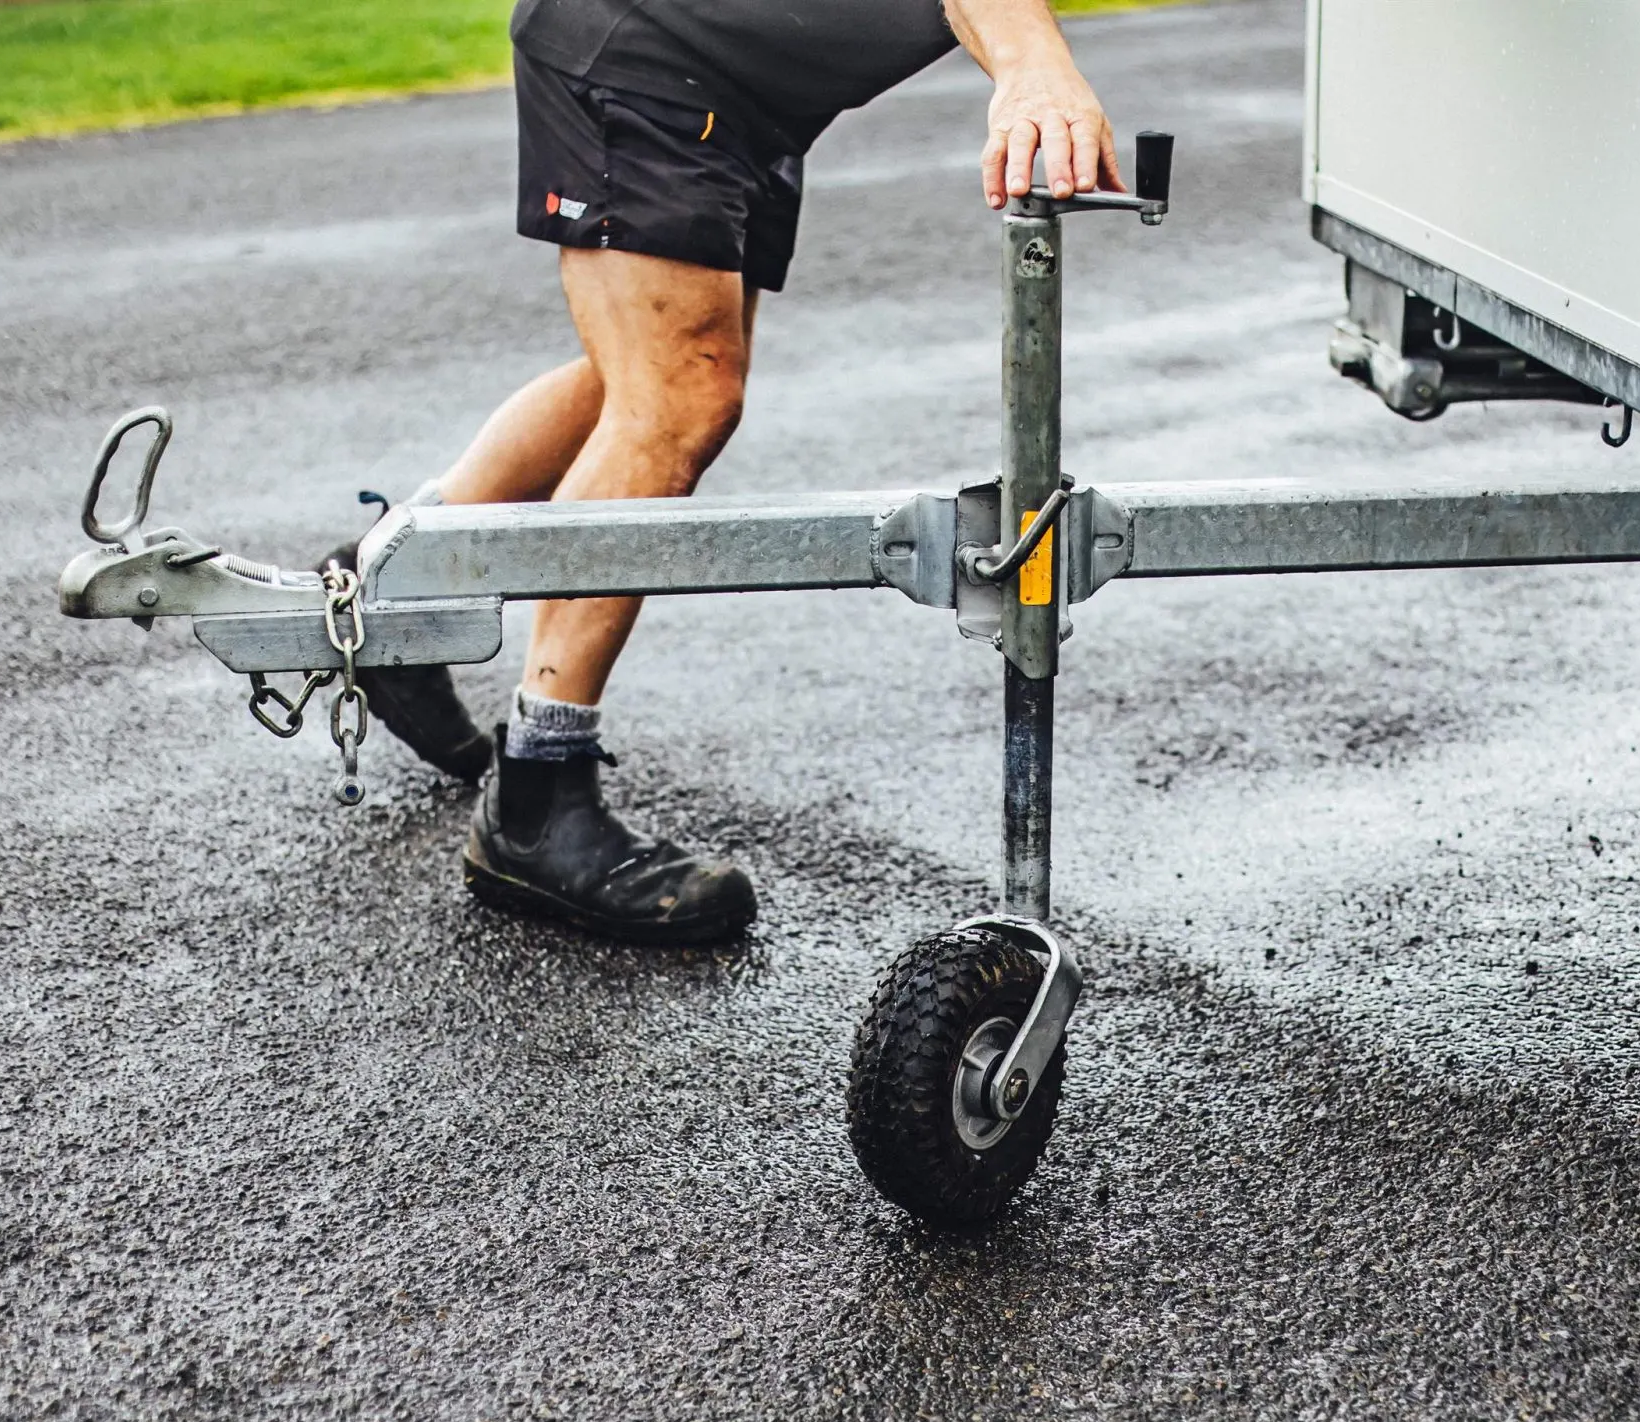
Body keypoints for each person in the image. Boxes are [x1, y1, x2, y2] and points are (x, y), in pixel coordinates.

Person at [332, 0, 1127, 945]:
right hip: (651, 47)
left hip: (735, 85)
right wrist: (1033, 61)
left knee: (648, 371)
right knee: (676, 397)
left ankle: (392, 588)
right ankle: (536, 802)